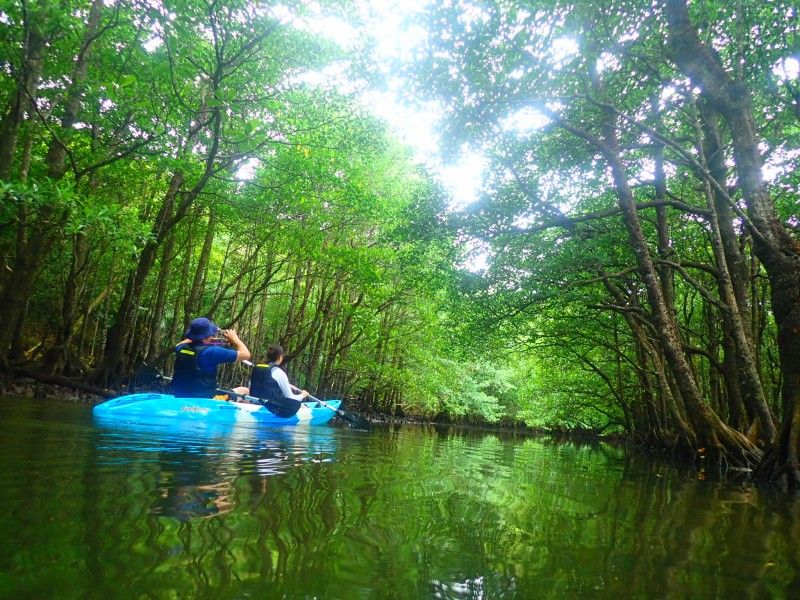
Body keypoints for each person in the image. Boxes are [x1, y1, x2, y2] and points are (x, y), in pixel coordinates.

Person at [172, 317, 250, 398]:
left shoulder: (180, 348)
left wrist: (203, 339)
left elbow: (181, 344)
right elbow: (246, 354)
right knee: (245, 391)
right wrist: (235, 339)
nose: (212, 336)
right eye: (211, 334)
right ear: (206, 337)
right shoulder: (211, 352)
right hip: (204, 401)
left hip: (180, 396)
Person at [247, 344, 309, 416]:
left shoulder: (257, 368)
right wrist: (302, 395)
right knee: (301, 406)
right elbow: (290, 397)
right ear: (280, 357)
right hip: (271, 408)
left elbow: (250, 387)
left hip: (253, 404)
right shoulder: (279, 373)